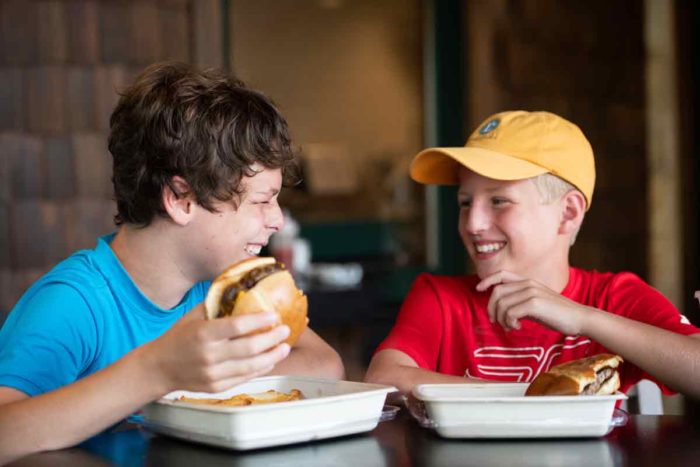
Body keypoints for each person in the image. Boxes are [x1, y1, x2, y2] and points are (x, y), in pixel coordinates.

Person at [0, 62, 343, 463]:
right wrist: (158, 371)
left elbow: (323, 362)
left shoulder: (220, 289)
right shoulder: (75, 303)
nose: (278, 219)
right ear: (182, 200)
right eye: (262, 200)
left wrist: (205, 382)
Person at [365, 110, 700, 398]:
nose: (473, 223)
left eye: (499, 201)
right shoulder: (440, 298)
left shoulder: (613, 298)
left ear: (568, 213)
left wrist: (584, 318)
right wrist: (531, 397)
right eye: (465, 202)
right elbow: (385, 380)